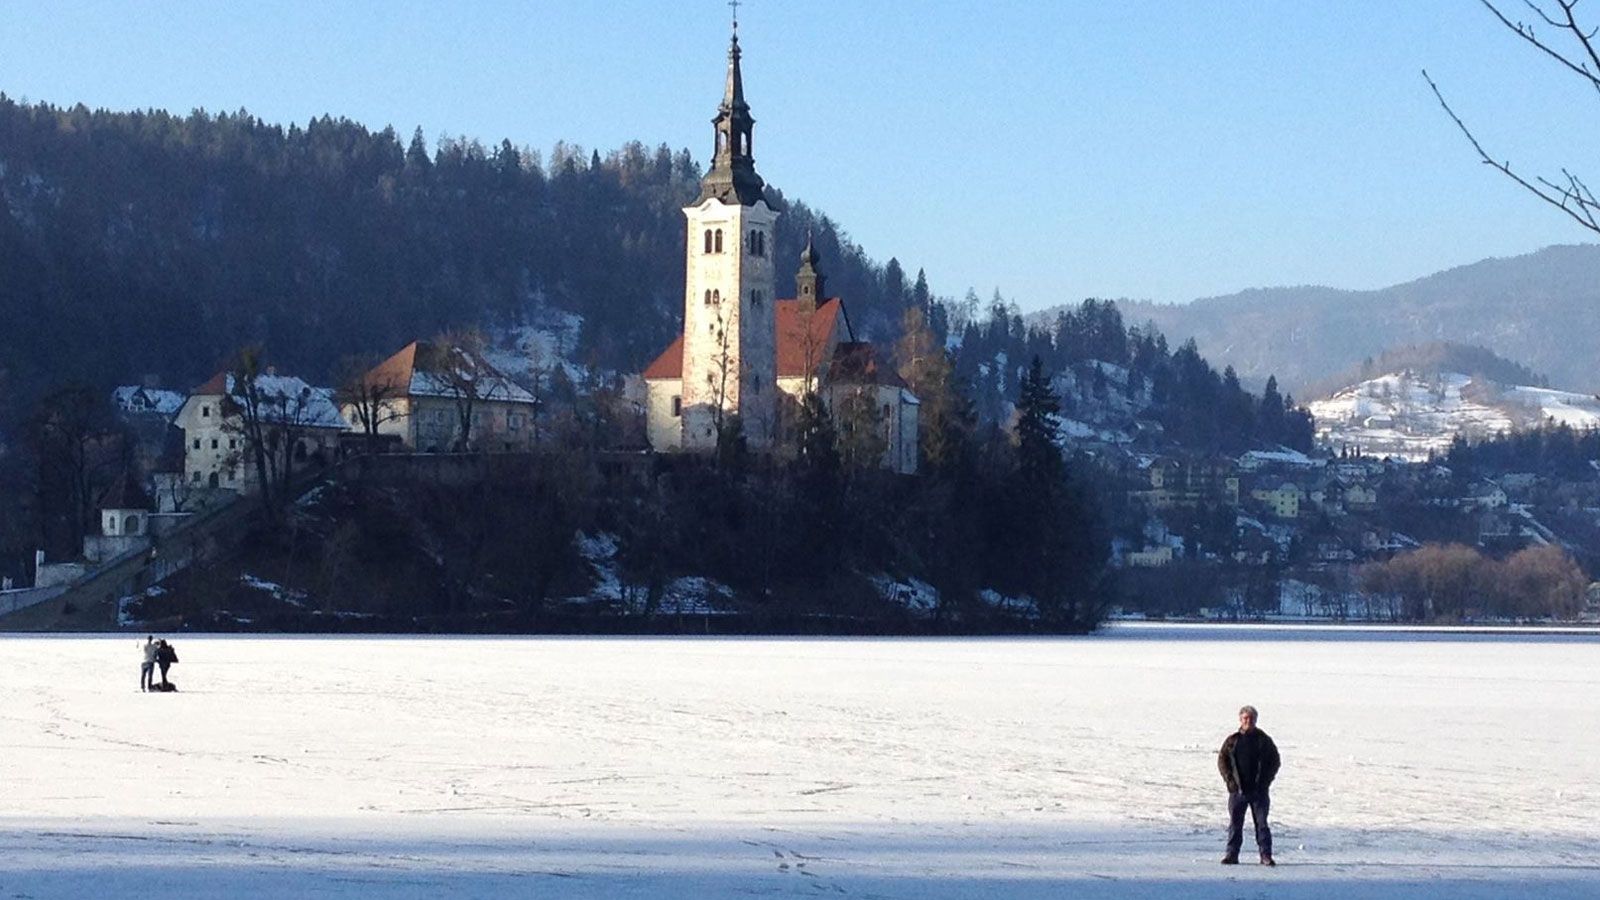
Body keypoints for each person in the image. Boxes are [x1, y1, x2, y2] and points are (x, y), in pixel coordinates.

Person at [1217, 704, 1280, 866]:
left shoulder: (1263, 740)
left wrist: (1265, 781)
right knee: (1235, 825)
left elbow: (1275, 761)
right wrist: (1230, 782)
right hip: (1237, 791)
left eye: (1251, 718)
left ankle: (1265, 855)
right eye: (1245, 718)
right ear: (1240, 719)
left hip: (1258, 792)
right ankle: (1232, 855)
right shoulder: (1233, 740)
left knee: (1262, 825)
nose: (1248, 721)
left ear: (1256, 720)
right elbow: (1222, 761)